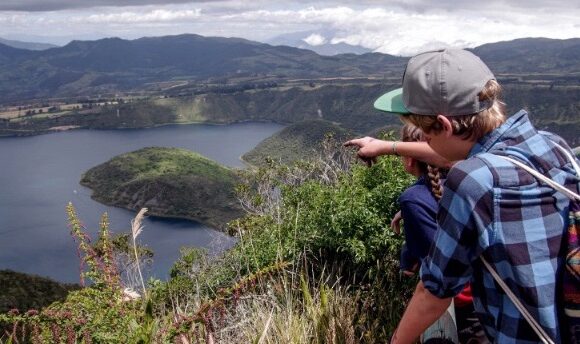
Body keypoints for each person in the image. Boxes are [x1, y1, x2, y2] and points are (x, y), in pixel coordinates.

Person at [345, 48, 579, 343]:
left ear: (444, 125)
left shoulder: (472, 181)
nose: (426, 144)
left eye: (426, 134)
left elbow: (435, 291)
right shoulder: (553, 146)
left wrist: (397, 340)